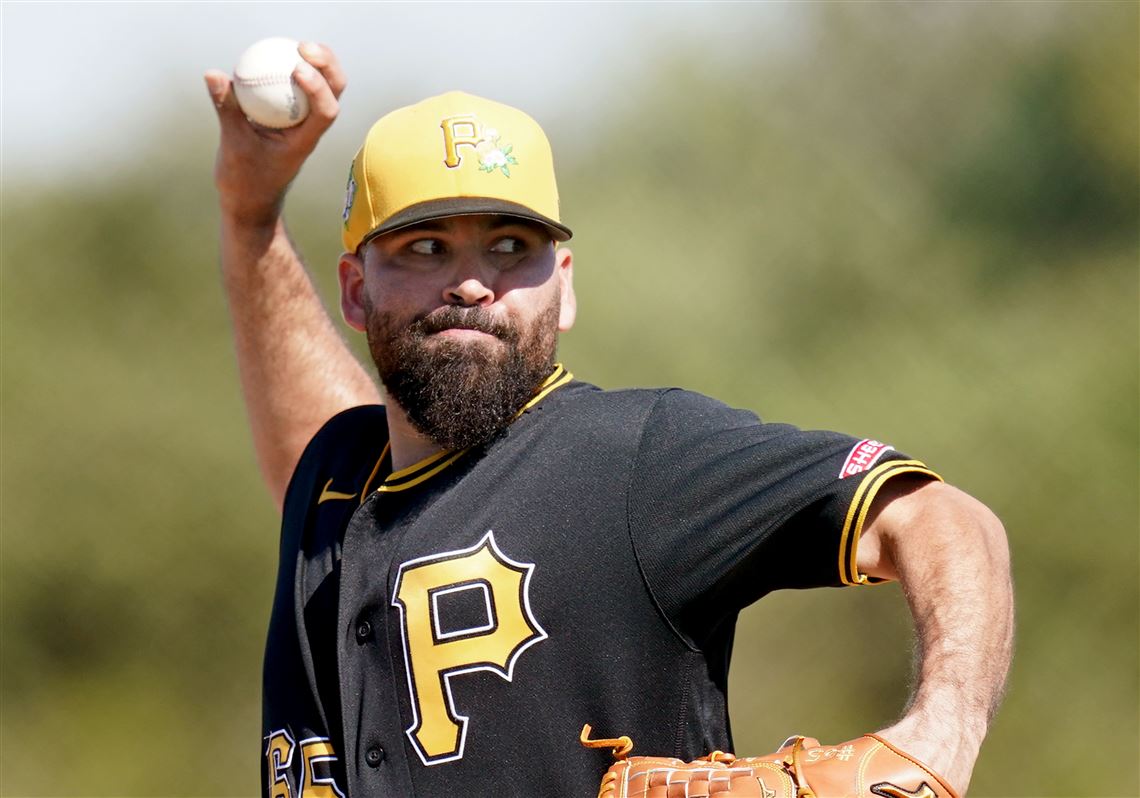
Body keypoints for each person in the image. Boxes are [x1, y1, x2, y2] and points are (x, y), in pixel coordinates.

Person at [204, 43, 1013, 798]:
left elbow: (944, 519)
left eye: (510, 244)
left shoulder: (631, 459)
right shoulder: (338, 472)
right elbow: (315, 437)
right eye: (425, 249)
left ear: (564, 283)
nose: (473, 284)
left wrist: (940, 734)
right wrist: (251, 217)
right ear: (354, 289)